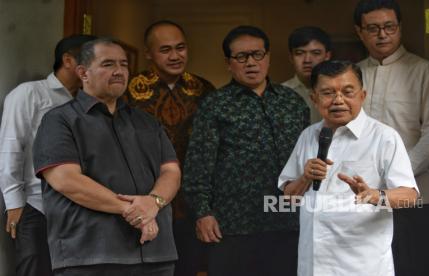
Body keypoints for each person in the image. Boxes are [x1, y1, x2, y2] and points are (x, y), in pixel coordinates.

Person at [32, 38, 181, 275]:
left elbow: (171, 171)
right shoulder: (60, 121)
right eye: (108, 64)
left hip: (155, 253)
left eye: (123, 65)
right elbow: (66, 180)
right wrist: (136, 212)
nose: (119, 71)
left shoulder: (146, 122)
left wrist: (154, 202)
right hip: (91, 254)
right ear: (83, 73)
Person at [183, 25, 310, 276]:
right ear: (229, 63)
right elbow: (198, 163)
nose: (251, 62)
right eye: (241, 57)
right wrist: (202, 212)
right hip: (233, 224)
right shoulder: (215, 105)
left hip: (287, 221)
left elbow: (306, 158)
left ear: (268, 57)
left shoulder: (292, 102)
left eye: (257, 54)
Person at [279, 60, 419, 276]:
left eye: (347, 91)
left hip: (362, 266)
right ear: (314, 99)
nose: (338, 100)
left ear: (362, 95)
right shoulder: (308, 136)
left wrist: (374, 195)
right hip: (313, 264)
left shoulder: (384, 137)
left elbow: (410, 196)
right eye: (327, 92)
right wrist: (305, 178)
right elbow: (288, 198)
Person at [353, 1, 429, 275]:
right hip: (365, 198)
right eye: (373, 28)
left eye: (389, 27)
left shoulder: (426, 72)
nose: (382, 34)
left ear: (400, 28)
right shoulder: (353, 77)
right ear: (359, 32)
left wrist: (394, 177)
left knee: (415, 266)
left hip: (417, 197)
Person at [0, 34, 96, 276]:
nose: (95, 69)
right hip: (34, 204)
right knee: (32, 268)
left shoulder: (90, 101)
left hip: (79, 206)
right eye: (92, 60)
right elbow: (11, 147)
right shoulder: (29, 93)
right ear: (68, 60)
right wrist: (13, 204)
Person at [125, 20, 215, 276]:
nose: (175, 56)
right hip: (144, 195)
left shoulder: (203, 88)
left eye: (181, 48)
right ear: (149, 53)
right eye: (165, 50)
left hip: (191, 198)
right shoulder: (129, 89)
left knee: (190, 265)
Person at [282, 26, 332, 124]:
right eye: (300, 53)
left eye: (316, 53)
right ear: (291, 57)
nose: (307, 60)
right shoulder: (280, 94)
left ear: (327, 56)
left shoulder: (338, 92)